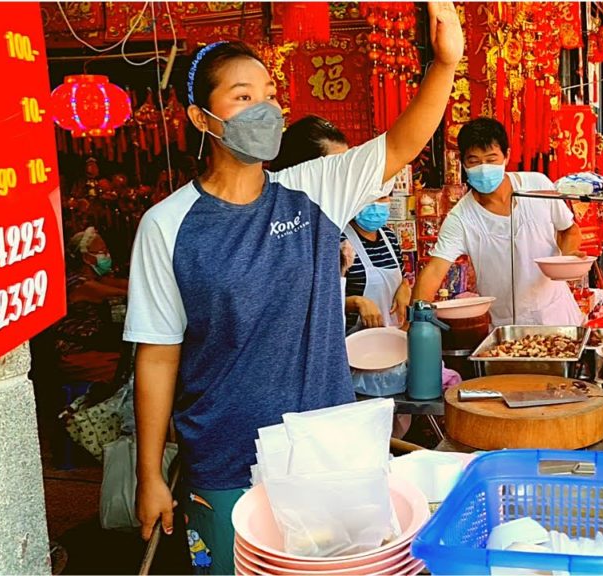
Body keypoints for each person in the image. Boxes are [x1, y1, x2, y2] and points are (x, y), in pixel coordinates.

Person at [125, 5, 462, 574]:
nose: (264, 107)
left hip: (326, 453)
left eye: (269, 92)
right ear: (202, 118)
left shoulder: (310, 191)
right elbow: (157, 355)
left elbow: (402, 143)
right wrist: (151, 475)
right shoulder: (167, 224)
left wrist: (446, 63)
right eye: (241, 96)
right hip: (226, 459)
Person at [412, 117, 586, 327]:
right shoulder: (461, 217)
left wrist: (566, 261)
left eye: (491, 158)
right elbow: (433, 271)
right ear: (463, 163)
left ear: (507, 156)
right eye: (474, 161)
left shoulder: (537, 185)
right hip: (506, 326)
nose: (483, 168)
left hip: (557, 314)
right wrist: (415, 323)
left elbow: (569, 230)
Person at [273, 115, 411, 333]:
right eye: (338, 169)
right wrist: (354, 302)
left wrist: (404, 287)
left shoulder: (384, 236)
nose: (350, 182)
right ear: (302, 171)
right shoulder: (289, 239)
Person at [55, 226, 128, 386]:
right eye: (101, 251)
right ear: (87, 258)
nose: (107, 255)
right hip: (74, 353)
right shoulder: (80, 284)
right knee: (124, 372)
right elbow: (127, 293)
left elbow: (128, 285)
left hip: (93, 346)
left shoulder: (96, 277)